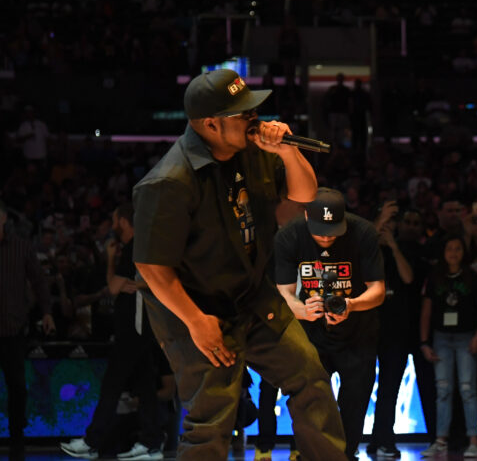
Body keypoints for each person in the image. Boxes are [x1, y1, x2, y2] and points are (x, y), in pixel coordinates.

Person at [131, 69, 346, 459]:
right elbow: (151, 268)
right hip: (196, 307)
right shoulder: (169, 182)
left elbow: (305, 193)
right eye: (242, 114)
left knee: (311, 377)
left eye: (252, 110)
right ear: (210, 124)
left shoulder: (253, 152)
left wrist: (287, 151)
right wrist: (196, 322)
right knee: (212, 417)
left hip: (251, 296)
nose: (255, 119)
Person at [274, 187, 386, 461]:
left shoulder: (364, 233)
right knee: (310, 403)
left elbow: (378, 290)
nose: (326, 236)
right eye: (320, 230)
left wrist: (351, 305)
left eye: (333, 230)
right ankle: (310, 456)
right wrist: (301, 310)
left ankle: (346, 456)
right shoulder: (289, 235)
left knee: (355, 403)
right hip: (311, 334)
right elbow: (283, 292)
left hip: (358, 333)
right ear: (306, 216)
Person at [61, 203, 165, 460]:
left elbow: (114, 287)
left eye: (114, 220)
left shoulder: (135, 247)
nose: (112, 225)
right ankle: (152, 444)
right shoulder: (134, 247)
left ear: (124, 222)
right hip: (135, 328)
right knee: (145, 387)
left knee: (112, 385)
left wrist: (111, 261)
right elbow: (117, 286)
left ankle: (92, 442)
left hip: (134, 327)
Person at [419, 234, 477, 458]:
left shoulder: (472, 276)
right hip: (441, 338)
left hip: (465, 337)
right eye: (449, 248)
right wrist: (424, 342)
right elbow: (426, 312)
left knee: (468, 389)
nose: (453, 253)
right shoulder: (435, 277)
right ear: (443, 252)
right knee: (443, 390)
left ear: (463, 252)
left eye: (458, 248)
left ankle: (474, 440)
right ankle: (440, 440)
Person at [0, 201, 55, 461]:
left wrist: (46, 311)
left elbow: (39, 280)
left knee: (17, 388)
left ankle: (17, 442)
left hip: (12, 329)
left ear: (2, 219)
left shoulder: (20, 247)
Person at [369, 201, 417, 459]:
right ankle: (351, 440)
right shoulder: (364, 247)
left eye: (392, 222)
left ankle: (383, 440)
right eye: (383, 222)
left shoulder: (405, 248)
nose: (387, 227)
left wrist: (394, 247)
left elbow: (409, 278)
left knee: (389, 390)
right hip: (366, 329)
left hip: (396, 331)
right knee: (361, 389)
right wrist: (377, 236)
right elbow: (360, 253)